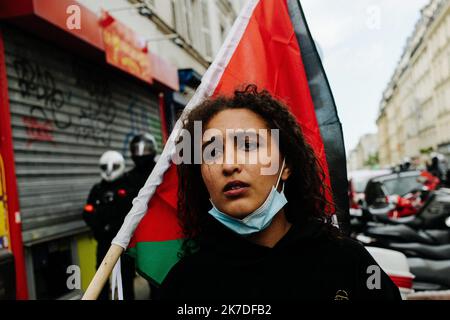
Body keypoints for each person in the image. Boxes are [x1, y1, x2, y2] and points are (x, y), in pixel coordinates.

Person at [155, 85, 401, 300]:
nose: (229, 164)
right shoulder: (185, 284)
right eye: (212, 152)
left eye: (249, 146)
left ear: (286, 166)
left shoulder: (349, 262)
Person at [82, 150, 136, 300]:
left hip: (124, 243)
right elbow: (87, 212)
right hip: (104, 242)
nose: (109, 170)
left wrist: (114, 226)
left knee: (125, 279)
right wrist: (100, 227)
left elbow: (134, 214)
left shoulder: (128, 187)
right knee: (101, 279)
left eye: (113, 166)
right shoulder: (97, 189)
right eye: (105, 167)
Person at [123, 133, 158, 297]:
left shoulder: (161, 171)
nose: (141, 153)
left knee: (156, 274)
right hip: (132, 233)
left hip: (157, 231)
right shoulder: (127, 177)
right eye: (137, 149)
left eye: (145, 149)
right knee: (126, 274)